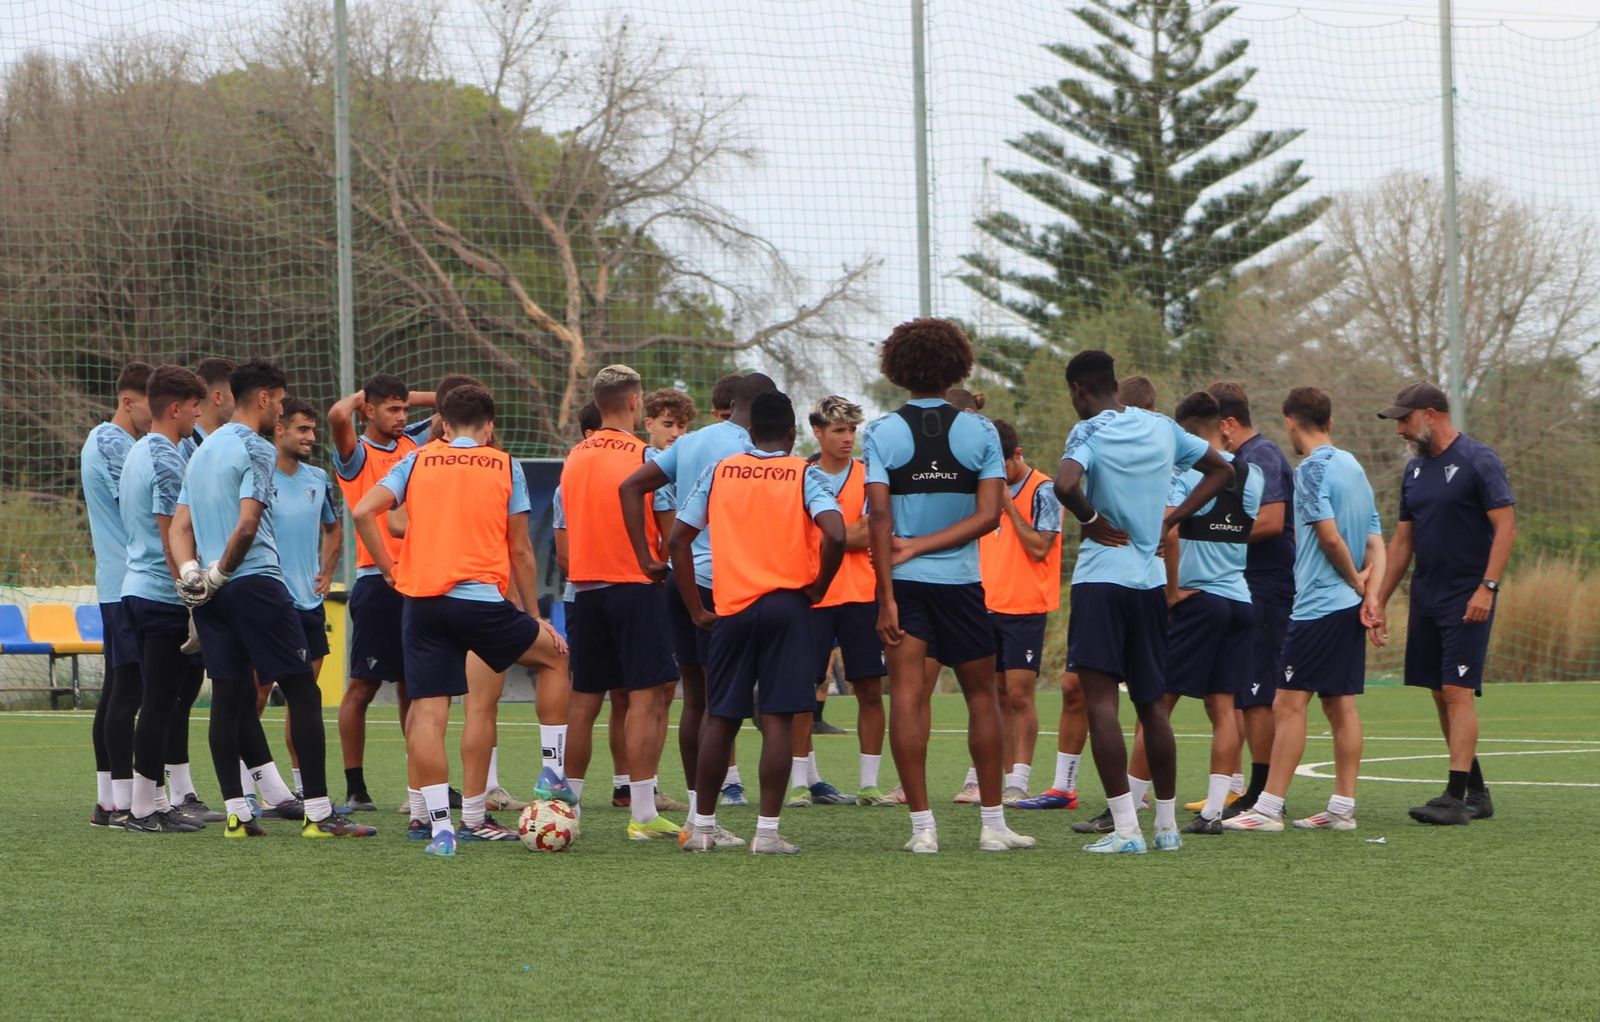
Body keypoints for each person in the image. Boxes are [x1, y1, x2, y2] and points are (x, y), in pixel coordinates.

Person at [351, 383, 568, 856]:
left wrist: (391, 571)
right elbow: (521, 549)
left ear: (445, 425)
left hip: (423, 604)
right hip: (482, 603)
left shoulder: (418, 459)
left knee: (428, 713)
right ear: (489, 426)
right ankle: (552, 771)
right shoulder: (506, 463)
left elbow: (366, 511)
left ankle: (439, 827)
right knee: (553, 660)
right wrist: (534, 615)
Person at [172, 358, 375, 839]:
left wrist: (192, 574)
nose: (280, 411)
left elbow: (180, 527)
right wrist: (221, 572)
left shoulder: (200, 450)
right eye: (280, 401)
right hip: (255, 582)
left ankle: (238, 815)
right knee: (303, 690)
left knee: (228, 696)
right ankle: (320, 815)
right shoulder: (256, 449)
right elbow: (247, 524)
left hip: (210, 595)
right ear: (263, 398)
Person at [862, 317, 1033, 854]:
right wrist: (926, 547)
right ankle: (992, 826)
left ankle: (923, 831)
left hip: (905, 588)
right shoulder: (979, 431)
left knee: (908, 699)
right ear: (958, 366)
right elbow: (987, 517)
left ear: (897, 369)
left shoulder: (880, 432)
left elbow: (879, 522)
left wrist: (887, 594)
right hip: (963, 584)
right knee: (983, 696)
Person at [1054, 351, 1233, 854]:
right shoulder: (1160, 427)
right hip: (1150, 584)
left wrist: (1090, 521)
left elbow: (1065, 485)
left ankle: (1127, 829)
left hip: (1101, 579)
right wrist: (1171, 522)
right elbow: (1221, 471)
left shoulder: (1087, 431)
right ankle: (1168, 828)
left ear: (1079, 392)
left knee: (1102, 705)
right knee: (1153, 705)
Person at [674, 391, 846, 854]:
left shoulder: (721, 470)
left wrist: (695, 608)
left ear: (748, 433)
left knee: (720, 717)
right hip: (787, 608)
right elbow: (836, 531)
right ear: (791, 435)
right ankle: (766, 834)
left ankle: (704, 829)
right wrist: (820, 586)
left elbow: (678, 538)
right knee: (778, 720)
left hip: (731, 608)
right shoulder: (803, 474)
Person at [619, 373, 778, 826]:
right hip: (729, 585)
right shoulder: (755, 450)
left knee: (696, 700)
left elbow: (630, 487)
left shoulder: (691, 444)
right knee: (727, 704)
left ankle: (695, 812)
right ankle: (707, 819)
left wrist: (646, 559)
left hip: (681, 577)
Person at [1226, 387, 1384, 833]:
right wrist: (1369, 595)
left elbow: (1330, 537)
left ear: (1290, 422)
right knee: (1339, 704)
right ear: (1330, 422)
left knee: (1287, 704)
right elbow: (1376, 537)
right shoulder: (1353, 466)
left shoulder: (1311, 470)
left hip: (1317, 606)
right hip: (1348, 607)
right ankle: (1341, 808)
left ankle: (1268, 808)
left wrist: (1355, 580)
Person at [1018, 372, 1163, 825]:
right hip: (1140, 583)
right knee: (1085, 689)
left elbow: (1065, 486)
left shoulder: (1114, 434)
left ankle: (1128, 814)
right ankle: (1080, 790)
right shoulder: (1151, 440)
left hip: (1126, 582)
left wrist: (1097, 518)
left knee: (1141, 703)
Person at [1369, 382, 1516, 825]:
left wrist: (1487, 587)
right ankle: (1476, 791)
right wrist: (1378, 598)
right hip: (1427, 596)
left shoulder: (1479, 459)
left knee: (1456, 691)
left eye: (1405, 419)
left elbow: (1506, 527)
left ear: (1431, 414)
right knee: (1439, 692)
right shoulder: (1414, 473)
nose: (1400, 429)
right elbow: (1403, 541)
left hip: (1468, 595)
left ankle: (1454, 798)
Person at [560, 366, 690, 842]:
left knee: (585, 700)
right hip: (636, 585)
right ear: (635, 401)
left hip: (586, 589)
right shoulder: (645, 457)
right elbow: (673, 532)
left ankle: (567, 810)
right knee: (647, 697)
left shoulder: (574, 456)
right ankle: (641, 811)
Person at [1127, 391, 1264, 834]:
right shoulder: (1254, 474)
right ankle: (1212, 814)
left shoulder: (1185, 472)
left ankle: (1127, 806)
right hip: (1240, 599)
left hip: (1197, 599)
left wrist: (1169, 592)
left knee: (1155, 704)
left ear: (1185, 432)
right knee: (1224, 707)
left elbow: (1170, 532)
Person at [328, 374, 436, 811]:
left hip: (416, 577)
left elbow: (451, 398)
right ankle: (355, 786)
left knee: (414, 686)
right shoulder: (356, 453)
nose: (402, 416)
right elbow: (338, 414)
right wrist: (361, 397)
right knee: (363, 687)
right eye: (391, 408)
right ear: (368, 410)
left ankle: (418, 787)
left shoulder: (412, 445)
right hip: (376, 579)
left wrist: (404, 397)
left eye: (405, 408)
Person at [115, 366, 212, 832]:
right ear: (175, 408)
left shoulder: (139, 451)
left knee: (159, 700)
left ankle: (152, 802)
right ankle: (140, 810)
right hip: (159, 597)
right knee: (159, 703)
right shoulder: (168, 460)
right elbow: (170, 533)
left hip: (136, 588)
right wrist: (191, 599)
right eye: (195, 405)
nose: (199, 412)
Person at [790, 396, 888, 807]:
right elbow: (800, 536)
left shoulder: (869, 477)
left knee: (868, 688)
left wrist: (830, 535)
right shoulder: (799, 476)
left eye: (852, 430)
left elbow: (871, 533)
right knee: (801, 690)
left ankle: (869, 784)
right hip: (812, 595)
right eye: (838, 430)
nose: (848, 438)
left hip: (862, 595)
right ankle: (800, 783)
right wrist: (847, 533)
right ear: (817, 432)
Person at [1208, 380, 1296, 817]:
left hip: (1268, 585)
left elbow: (1273, 521)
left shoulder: (1261, 456)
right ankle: (1250, 790)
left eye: (1210, 426)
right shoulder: (1237, 459)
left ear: (1227, 424)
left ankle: (1262, 795)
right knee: (1245, 690)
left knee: (1259, 691)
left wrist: (1217, 533)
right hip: (1244, 585)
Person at [256, 397, 342, 794]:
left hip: (308, 606)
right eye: (302, 429)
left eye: (312, 430)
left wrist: (325, 572)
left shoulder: (318, 479)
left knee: (304, 699)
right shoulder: (258, 476)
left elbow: (333, 528)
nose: (311, 437)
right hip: (269, 603)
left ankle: (302, 788)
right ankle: (251, 786)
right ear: (279, 429)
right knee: (253, 697)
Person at [976, 419, 1062, 806]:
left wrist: (1008, 506)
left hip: (1025, 605)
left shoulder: (1044, 489)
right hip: (986, 603)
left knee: (1019, 696)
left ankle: (1021, 779)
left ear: (1018, 455)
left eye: (1002, 464)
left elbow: (1040, 548)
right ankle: (999, 776)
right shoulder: (983, 488)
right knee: (992, 694)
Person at [82, 361, 153, 826]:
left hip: (116, 580)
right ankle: (123, 802)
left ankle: (108, 800)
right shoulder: (111, 441)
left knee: (117, 689)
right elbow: (130, 505)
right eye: (152, 403)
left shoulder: (117, 441)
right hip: (124, 580)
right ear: (128, 401)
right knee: (127, 690)